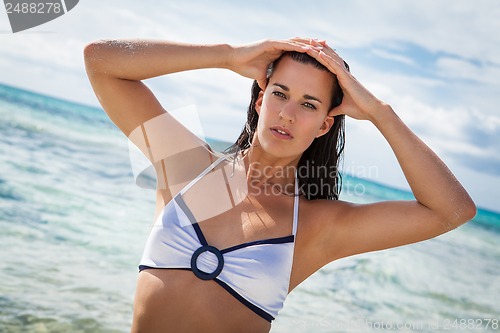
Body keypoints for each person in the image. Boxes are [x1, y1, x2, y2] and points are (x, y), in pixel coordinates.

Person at [84, 37, 476, 333]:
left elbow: (452, 210)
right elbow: (100, 62)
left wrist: (379, 112)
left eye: (308, 104)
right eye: (280, 93)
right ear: (259, 100)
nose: (287, 114)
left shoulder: (315, 226)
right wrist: (227, 56)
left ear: (325, 124)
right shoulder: (188, 166)